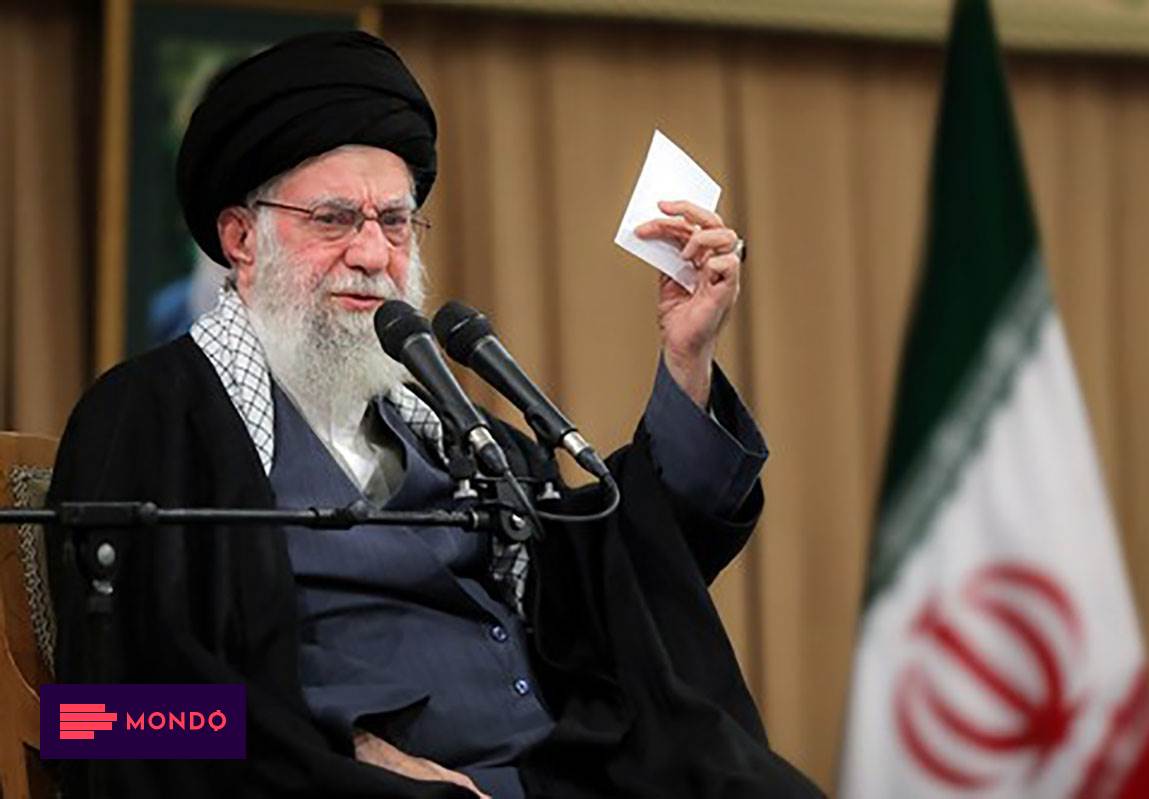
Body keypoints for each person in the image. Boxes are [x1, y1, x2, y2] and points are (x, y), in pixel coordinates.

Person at [46, 30, 822, 799]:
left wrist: (687, 361)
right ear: (242, 238)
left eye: (393, 221)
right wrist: (342, 751)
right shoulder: (151, 416)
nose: (371, 254)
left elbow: (622, 572)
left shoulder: (455, 433)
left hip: (561, 772)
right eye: (333, 219)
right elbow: (97, 720)